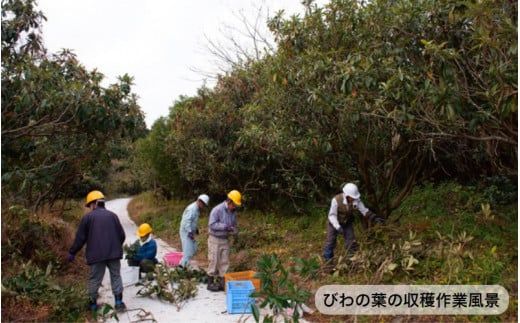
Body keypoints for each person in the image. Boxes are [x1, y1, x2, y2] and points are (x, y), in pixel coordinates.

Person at [68, 190, 127, 312]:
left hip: (96, 255)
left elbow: (80, 238)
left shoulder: (87, 218)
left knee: (95, 279)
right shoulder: (113, 216)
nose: (90, 208)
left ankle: (93, 305)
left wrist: (72, 252)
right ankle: (119, 303)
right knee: (116, 276)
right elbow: (122, 235)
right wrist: (115, 246)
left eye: (89, 205)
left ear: (94, 204)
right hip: (114, 254)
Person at [323, 183, 380, 263]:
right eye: (352, 197)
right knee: (330, 241)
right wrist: (338, 227)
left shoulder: (356, 200)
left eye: (354, 197)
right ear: (347, 195)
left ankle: (352, 261)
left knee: (351, 241)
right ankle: (328, 261)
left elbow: (364, 210)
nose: (353, 199)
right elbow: (332, 216)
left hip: (347, 223)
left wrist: (374, 217)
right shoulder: (336, 200)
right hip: (334, 223)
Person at [206, 190, 241, 292]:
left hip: (225, 239)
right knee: (214, 260)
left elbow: (234, 225)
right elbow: (212, 224)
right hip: (215, 239)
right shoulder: (217, 210)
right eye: (234, 204)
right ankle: (210, 283)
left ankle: (222, 283)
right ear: (229, 201)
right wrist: (225, 227)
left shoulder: (233, 212)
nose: (235, 207)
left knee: (224, 261)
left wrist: (234, 231)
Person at [179, 194, 210, 267]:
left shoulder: (196, 209)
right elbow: (186, 221)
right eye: (204, 204)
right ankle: (182, 267)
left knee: (193, 249)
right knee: (188, 251)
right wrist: (189, 231)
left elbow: (193, 220)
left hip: (190, 231)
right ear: (200, 201)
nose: (204, 206)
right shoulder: (192, 208)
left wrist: (195, 229)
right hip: (186, 232)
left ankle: (183, 264)